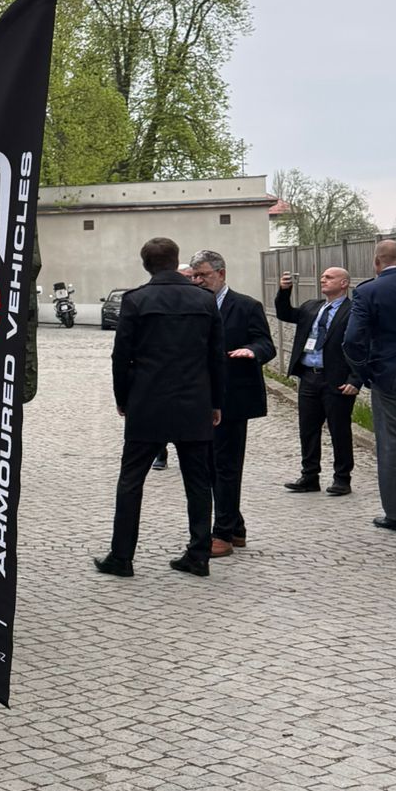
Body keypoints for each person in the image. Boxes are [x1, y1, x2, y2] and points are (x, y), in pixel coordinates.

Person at [95, 235, 224, 579]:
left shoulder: (136, 300)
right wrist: (215, 401)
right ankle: (199, 554)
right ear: (176, 259)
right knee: (198, 482)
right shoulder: (204, 299)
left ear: (146, 264)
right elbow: (215, 356)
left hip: (147, 402)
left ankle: (121, 556)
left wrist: (123, 398)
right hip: (194, 401)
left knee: (131, 480)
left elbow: (121, 356)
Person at [190, 250, 275, 557]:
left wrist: (252, 351)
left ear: (221, 274)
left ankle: (223, 533)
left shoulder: (247, 306)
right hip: (201, 397)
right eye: (195, 276)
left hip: (233, 398)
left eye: (204, 275)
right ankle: (236, 526)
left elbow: (266, 344)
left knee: (226, 466)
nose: (198, 281)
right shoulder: (193, 305)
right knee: (209, 466)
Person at [341, 239, 396, 534]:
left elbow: (352, 340)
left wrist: (364, 372)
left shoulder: (367, 291)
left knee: (392, 445)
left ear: (376, 262)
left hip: (388, 373)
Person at [275, 267, 355, 496]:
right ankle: (309, 476)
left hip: (336, 379)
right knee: (308, 429)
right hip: (309, 376)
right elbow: (285, 313)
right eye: (322, 277)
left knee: (339, 430)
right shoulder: (312, 306)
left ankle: (342, 478)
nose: (323, 279)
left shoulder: (352, 311)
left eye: (329, 277)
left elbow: (361, 344)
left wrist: (355, 379)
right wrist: (284, 291)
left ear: (344, 283)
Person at [151, 263, 199, 473]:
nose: (188, 281)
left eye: (191, 277)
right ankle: (160, 453)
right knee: (161, 417)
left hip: (191, 371)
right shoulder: (159, 299)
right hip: (162, 370)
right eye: (184, 277)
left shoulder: (201, 300)